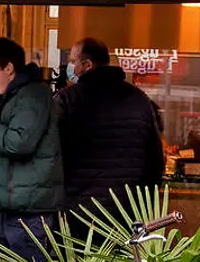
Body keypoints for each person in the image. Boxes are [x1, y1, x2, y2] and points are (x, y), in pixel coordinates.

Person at [0, 37, 64, 262]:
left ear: (9, 68)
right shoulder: (17, 96)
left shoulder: (32, 96)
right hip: (15, 206)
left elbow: (17, 142)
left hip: (28, 212)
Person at [55, 37, 165, 232]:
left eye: (73, 61)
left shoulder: (68, 100)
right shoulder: (139, 100)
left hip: (78, 213)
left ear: (87, 65)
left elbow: (52, 154)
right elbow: (155, 162)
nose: (70, 67)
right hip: (126, 214)